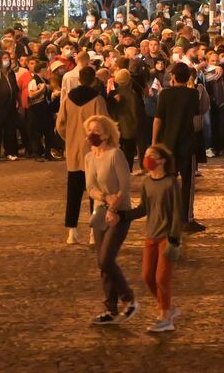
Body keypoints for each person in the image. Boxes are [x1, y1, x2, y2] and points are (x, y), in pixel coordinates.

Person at [84, 114, 138, 326]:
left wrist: (113, 207)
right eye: (89, 131)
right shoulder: (89, 157)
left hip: (119, 213)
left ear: (107, 134)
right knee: (102, 262)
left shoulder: (116, 155)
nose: (92, 135)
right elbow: (90, 188)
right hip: (100, 212)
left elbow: (125, 188)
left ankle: (128, 297)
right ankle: (110, 308)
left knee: (106, 258)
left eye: (96, 131)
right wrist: (104, 198)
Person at [128, 143, 183, 332]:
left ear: (162, 160)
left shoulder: (171, 182)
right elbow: (144, 208)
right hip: (150, 235)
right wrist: (125, 215)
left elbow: (177, 212)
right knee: (147, 276)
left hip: (166, 237)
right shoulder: (147, 183)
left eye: (151, 155)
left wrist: (174, 238)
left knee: (161, 278)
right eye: (145, 155)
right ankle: (168, 307)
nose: (147, 158)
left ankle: (165, 318)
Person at [153, 62, 208, 233]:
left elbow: (158, 119)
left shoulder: (165, 95)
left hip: (168, 144)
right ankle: (186, 218)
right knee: (187, 183)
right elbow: (199, 116)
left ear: (173, 77)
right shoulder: (192, 94)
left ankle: (167, 218)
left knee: (167, 182)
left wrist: (154, 142)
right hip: (187, 144)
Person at [56, 66, 108, 245]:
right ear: (93, 79)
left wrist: (69, 138)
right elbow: (104, 125)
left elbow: (60, 124)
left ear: (79, 79)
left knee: (73, 193)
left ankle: (72, 232)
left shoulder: (68, 99)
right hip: (93, 152)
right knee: (96, 193)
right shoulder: (97, 100)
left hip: (73, 152)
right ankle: (94, 233)